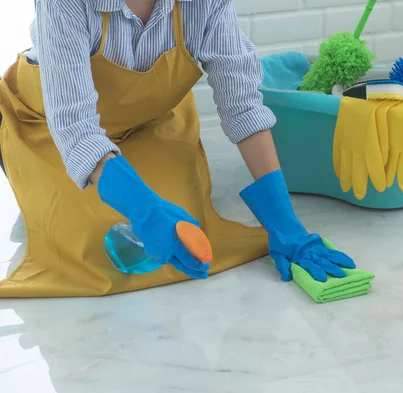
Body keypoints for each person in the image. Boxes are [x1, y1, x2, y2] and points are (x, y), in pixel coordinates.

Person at [0, 0, 355, 297]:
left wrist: (285, 222)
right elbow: (76, 131)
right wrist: (145, 211)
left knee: (186, 228)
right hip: (49, 129)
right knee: (97, 249)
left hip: (147, 126)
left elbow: (243, 105)